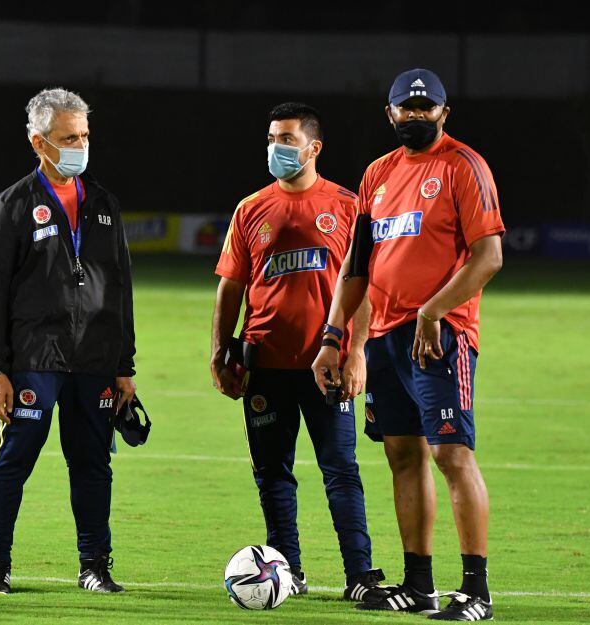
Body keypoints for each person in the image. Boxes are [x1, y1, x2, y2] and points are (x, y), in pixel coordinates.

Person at [311, 68, 504, 620]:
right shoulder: (378, 174)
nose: (416, 115)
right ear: (390, 114)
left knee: (451, 454)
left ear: (444, 113)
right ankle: (419, 583)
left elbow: (488, 256)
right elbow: (358, 262)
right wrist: (334, 335)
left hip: (441, 337)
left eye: (426, 108)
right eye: (406, 108)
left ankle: (476, 591)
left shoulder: (464, 166)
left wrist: (434, 311)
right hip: (384, 336)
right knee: (402, 454)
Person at [210, 102, 385, 601]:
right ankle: (288, 571)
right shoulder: (251, 209)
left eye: (286, 139)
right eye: (271, 139)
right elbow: (230, 288)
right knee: (272, 475)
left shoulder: (350, 207)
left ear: (314, 148)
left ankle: (360, 574)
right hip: (263, 363)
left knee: (341, 469)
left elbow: (366, 287)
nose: (276, 148)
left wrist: (357, 353)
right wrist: (220, 352)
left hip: (327, 366)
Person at [0, 87, 137, 595]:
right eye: (69, 137)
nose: (80, 146)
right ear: (39, 142)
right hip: (32, 361)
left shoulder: (104, 204)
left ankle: (95, 564)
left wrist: (124, 364)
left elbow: (121, 289)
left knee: (93, 464)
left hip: (94, 361)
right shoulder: (12, 206)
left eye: (85, 135)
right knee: (13, 460)